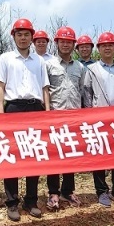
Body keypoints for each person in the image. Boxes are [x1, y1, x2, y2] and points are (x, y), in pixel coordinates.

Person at [0, 17, 50, 221]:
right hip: (14, 109)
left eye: (27, 34)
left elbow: (45, 88)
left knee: (33, 157)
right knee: (12, 157)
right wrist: (0, 114)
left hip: (35, 109)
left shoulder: (39, 60)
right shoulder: (6, 58)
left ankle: (31, 201)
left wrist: (47, 113)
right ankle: (11, 203)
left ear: (32, 37)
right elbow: (0, 87)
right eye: (20, 34)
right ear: (14, 36)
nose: (23, 38)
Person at [83, 31, 114, 207]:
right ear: (98, 48)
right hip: (99, 119)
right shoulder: (92, 70)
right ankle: (101, 191)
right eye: (104, 45)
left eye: (110, 45)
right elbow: (87, 93)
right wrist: (90, 116)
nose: (107, 48)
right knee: (100, 155)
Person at [45, 26, 89, 209]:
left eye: (69, 42)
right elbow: (45, 90)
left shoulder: (80, 67)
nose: (65, 44)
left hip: (74, 118)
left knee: (71, 154)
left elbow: (82, 91)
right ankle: (53, 192)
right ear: (56, 43)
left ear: (74, 45)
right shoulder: (48, 65)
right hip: (54, 116)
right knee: (55, 155)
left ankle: (68, 191)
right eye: (62, 41)